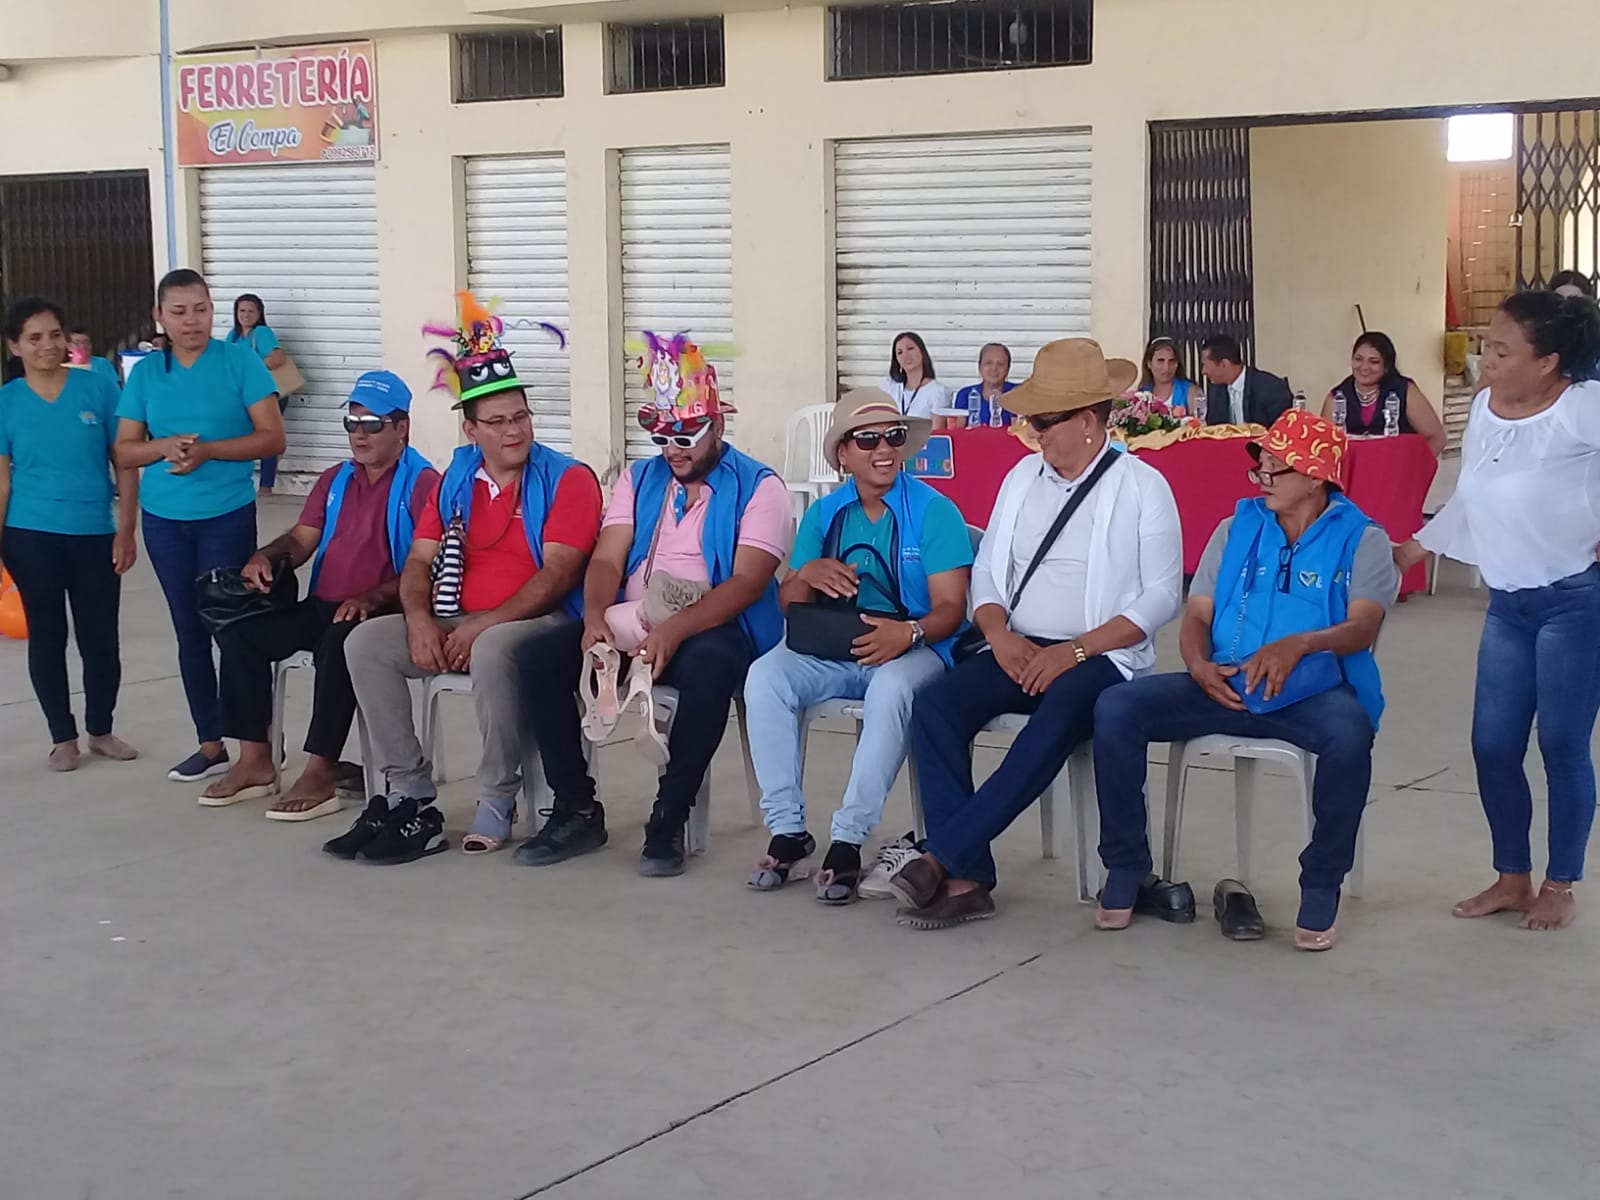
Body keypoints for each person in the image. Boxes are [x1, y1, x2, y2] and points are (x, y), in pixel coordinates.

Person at [886, 338, 1183, 930]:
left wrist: (1075, 651)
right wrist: (997, 633)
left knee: (1056, 716)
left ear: (1089, 422)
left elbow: (1161, 596)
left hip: (1102, 655)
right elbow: (989, 571)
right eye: (1032, 420)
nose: (1033, 433)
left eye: (1045, 421)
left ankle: (942, 856)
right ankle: (969, 876)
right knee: (937, 706)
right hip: (1018, 642)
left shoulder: (1143, 486)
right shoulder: (1022, 476)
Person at [1096, 410, 1398, 951]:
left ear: (1315, 476)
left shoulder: (1363, 538)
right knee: (1117, 707)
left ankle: (1321, 882)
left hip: (1311, 691)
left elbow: (1363, 625)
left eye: (1276, 468)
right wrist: (1197, 664)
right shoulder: (1235, 527)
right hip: (1224, 682)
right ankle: (1126, 867)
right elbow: (1197, 613)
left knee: (1350, 734)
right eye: (1260, 467)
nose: (1262, 478)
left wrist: (1299, 644)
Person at [323, 293, 599, 865]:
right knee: (364, 642)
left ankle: (497, 796)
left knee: (495, 648)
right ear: (471, 429)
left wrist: (482, 624)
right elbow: (419, 562)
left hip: (537, 622)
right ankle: (409, 794)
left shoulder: (569, 478)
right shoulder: (456, 477)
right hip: (457, 616)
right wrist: (419, 619)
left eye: (520, 417)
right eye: (497, 422)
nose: (513, 431)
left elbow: (557, 575)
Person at [514, 332, 791, 877]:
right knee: (538, 659)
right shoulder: (640, 478)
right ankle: (576, 808)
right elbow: (606, 559)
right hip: (631, 620)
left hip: (712, 623)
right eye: (663, 436)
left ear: (718, 426)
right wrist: (595, 618)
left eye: (686, 435)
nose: (673, 450)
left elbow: (747, 583)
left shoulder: (762, 487)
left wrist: (675, 630)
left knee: (712, 666)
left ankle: (670, 816)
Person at [1397, 291, 1600, 932]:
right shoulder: (1485, 407)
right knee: (1492, 744)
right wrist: (1414, 547)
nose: (1485, 359)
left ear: (1548, 362)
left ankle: (1560, 883)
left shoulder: (1582, 408)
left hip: (1574, 603)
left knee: (1561, 744)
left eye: (1503, 351)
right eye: (1489, 344)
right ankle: (1512, 877)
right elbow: (1471, 495)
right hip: (1508, 605)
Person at [745, 388, 972, 903]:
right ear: (843, 455)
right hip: (834, 645)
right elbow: (789, 604)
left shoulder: (935, 511)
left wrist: (908, 633)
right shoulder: (825, 513)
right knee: (765, 676)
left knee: (891, 689)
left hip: (915, 647)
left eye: (893, 436)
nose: (884, 449)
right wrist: (806, 573)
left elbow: (950, 610)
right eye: (867, 439)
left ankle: (848, 839)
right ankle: (787, 831)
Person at [197, 371, 439, 819]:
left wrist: (373, 597)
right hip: (325, 604)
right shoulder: (335, 479)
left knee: (339, 642)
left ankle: (321, 769)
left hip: (387, 611)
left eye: (372, 424)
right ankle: (256, 759)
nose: (359, 434)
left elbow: (428, 565)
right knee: (240, 633)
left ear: (402, 427)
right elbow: (302, 539)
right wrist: (267, 556)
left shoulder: (424, 484)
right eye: (352, 423)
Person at [114, 268, 285, 784]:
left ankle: (255, 748)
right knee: (188, 630)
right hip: (165, 521)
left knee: (233, 630)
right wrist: (163, 447)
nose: (192, 321)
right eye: (179, 312)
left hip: (225, 516)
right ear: (159, 316)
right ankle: (210, 743)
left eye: (201, 310)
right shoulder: (146, 374)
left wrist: (209, 451)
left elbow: (272, 438)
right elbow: (124, 451)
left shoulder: (240, 361)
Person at [0, 298, 140, 770]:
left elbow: (124, 461)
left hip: (94, 532)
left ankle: (101, 729)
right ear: (14, 346)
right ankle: (63, 737)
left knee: (100, 637)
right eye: (34, 338)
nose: (47, 345)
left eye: (55, 335)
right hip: (29, 534)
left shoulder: (98, 388)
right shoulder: (6, 402)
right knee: (47, 635)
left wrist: (126, 529)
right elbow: (1, 482)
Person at [1322, 331, 1447, 454]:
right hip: (1351, 468)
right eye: (1358, 359)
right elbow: (1323, 446)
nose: (1364, 367)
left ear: (1386, 366)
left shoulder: (1404, 391)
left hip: (1397, 466)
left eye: (1374, 361)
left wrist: (1415, 466)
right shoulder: (1337, 397)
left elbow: (1437, 438)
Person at [229, 294, 291, 496]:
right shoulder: (234, 335)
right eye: (242, 311)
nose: (246, 315)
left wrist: (253, 368)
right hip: (245, 394)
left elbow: (278, 357)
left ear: (259, 314)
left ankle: (266, 486)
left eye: (251, 311)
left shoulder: (261, 333)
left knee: (267, 436)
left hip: (268, 392)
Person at [1199, 334, 1293, 428]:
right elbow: (1214, 429)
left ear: (1224, 364)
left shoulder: (1270, 388)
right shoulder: (1215, 391)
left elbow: (1285, 429)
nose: (1203, 372)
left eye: (1205, 365)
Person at [880, 331, 949, 420]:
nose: (905, 355)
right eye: (900, 352)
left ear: (922, 352)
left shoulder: (938, 392)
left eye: (910, 348)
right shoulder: (889, 387)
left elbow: (938, 428)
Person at [952, 343, 1016, 426]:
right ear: (979, 367)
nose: (994, 368)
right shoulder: (965, 394)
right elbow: (958, 430)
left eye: (1000, 364)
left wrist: (1007, 402)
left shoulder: (1018, 393)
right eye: (989, 363)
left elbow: (1021, 428)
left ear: (1008, 369)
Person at [1138, 336, 1201, 411]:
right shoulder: (1141, 394)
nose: (1166, 367)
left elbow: (1199, 417)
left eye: (1172, 361)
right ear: (1149, 363)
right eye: (1160, 361)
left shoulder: (1190, 391)